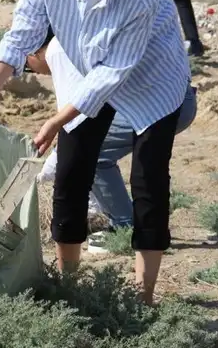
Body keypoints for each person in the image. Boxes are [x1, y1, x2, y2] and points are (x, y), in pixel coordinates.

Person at [0, 0, 190, 304]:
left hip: (153, 80)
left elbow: (113, 72)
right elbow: (20, 36)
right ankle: (68, 285)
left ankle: (144, 294)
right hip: (89, 70)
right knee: (71, 175)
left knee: (150, 183)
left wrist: (55, 120)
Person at [25, 30, 198, 248]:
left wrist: (46, 169)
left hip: (163, 104)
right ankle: (123, 221)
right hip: (176, 97)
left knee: (92, 153)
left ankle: (125, 227)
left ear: (35, 52)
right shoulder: (71, 40)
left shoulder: (56, 51)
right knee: (95, 153)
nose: (33, 73)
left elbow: (73, 125)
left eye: (26, 65)